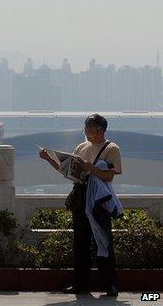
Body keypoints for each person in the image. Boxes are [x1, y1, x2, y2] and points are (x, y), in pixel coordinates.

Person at [39, 114, 121, 297]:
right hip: (81, 196)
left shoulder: (111, 148)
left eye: (91, 131)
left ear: (101, 130)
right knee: (80, 242)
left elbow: (109, 176)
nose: (88, 134)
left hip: (99, 199)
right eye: (86, 131)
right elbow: (68, 172)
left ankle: (109, 284)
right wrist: (50, 159)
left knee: (103, 240)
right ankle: (80, 283)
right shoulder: (81, 147)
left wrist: (89, 168)